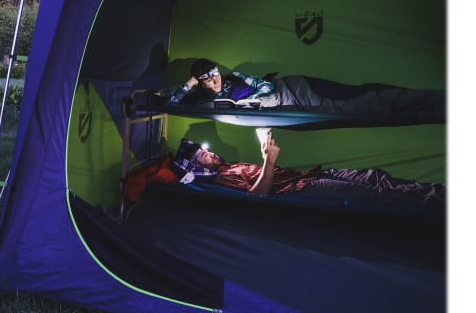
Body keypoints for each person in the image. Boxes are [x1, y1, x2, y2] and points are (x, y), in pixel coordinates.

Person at [171, 136, 445, 207]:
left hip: (306, 175)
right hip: (302, 188)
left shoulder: (228, 164)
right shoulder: (221, 178)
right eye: (202, 156)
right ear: (198, 166)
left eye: (206, 150)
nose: (209, 154)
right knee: (372, 193)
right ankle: (439, 205)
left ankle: (441, 193)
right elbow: (257, 196)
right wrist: (268, 160)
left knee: (374, 176)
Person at [166, 58, 445, 117]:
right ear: (200, 83)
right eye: (207, 78)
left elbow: (265, 87)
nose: (215, 80)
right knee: (359, 97)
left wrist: (250, 101)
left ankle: (434, 100)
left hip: (297, 89)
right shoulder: (204, 101)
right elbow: (171, 104)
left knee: (359, 99)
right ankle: (426, 103)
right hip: (296, 100)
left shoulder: (236, 78)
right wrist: (189, 82)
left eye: (215, 73)